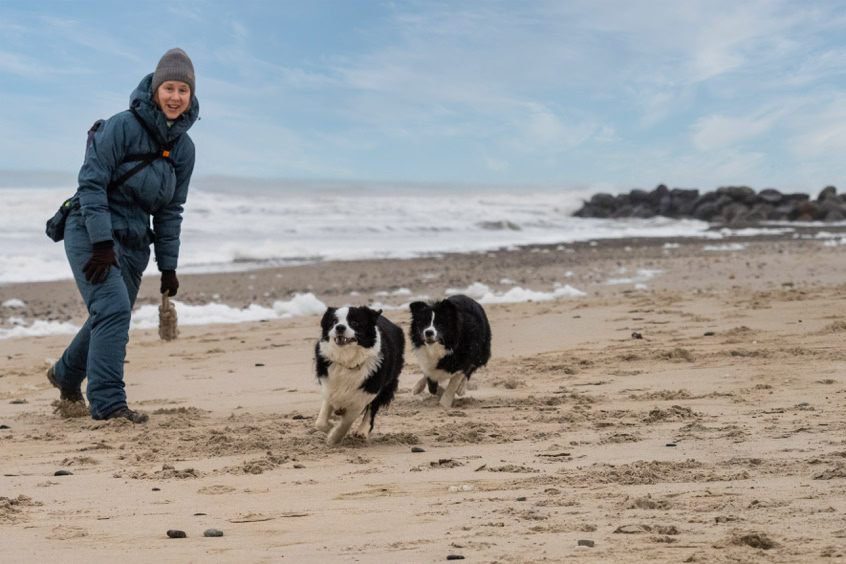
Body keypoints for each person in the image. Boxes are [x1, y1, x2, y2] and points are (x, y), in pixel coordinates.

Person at [47, 48, 199, 423]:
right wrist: (100, 244)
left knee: (110, 314)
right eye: (169, 88)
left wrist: (168, 267)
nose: (175, 97)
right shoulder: (120, 126)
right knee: (113, 309)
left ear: (191, 96)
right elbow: (91, 184)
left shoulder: (185, 149)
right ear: (154, 88)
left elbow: (170, 210)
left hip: (133, 239)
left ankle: (66, 374)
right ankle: (109, 404)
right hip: (89, 227)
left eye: (183, 90)